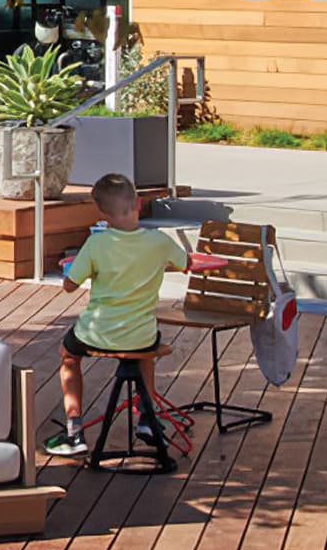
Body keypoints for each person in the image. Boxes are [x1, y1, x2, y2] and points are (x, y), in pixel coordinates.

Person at [40, 173, 227, 457]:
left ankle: (74, 429)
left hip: (96, 332)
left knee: (68, 356)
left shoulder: (96, 245)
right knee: (146, 351)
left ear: (101, 213)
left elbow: (68, 286)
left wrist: (78, 269)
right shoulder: (158, 242)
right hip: (140, 334)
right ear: (138, 203)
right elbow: (182, 263)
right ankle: (147, 420)